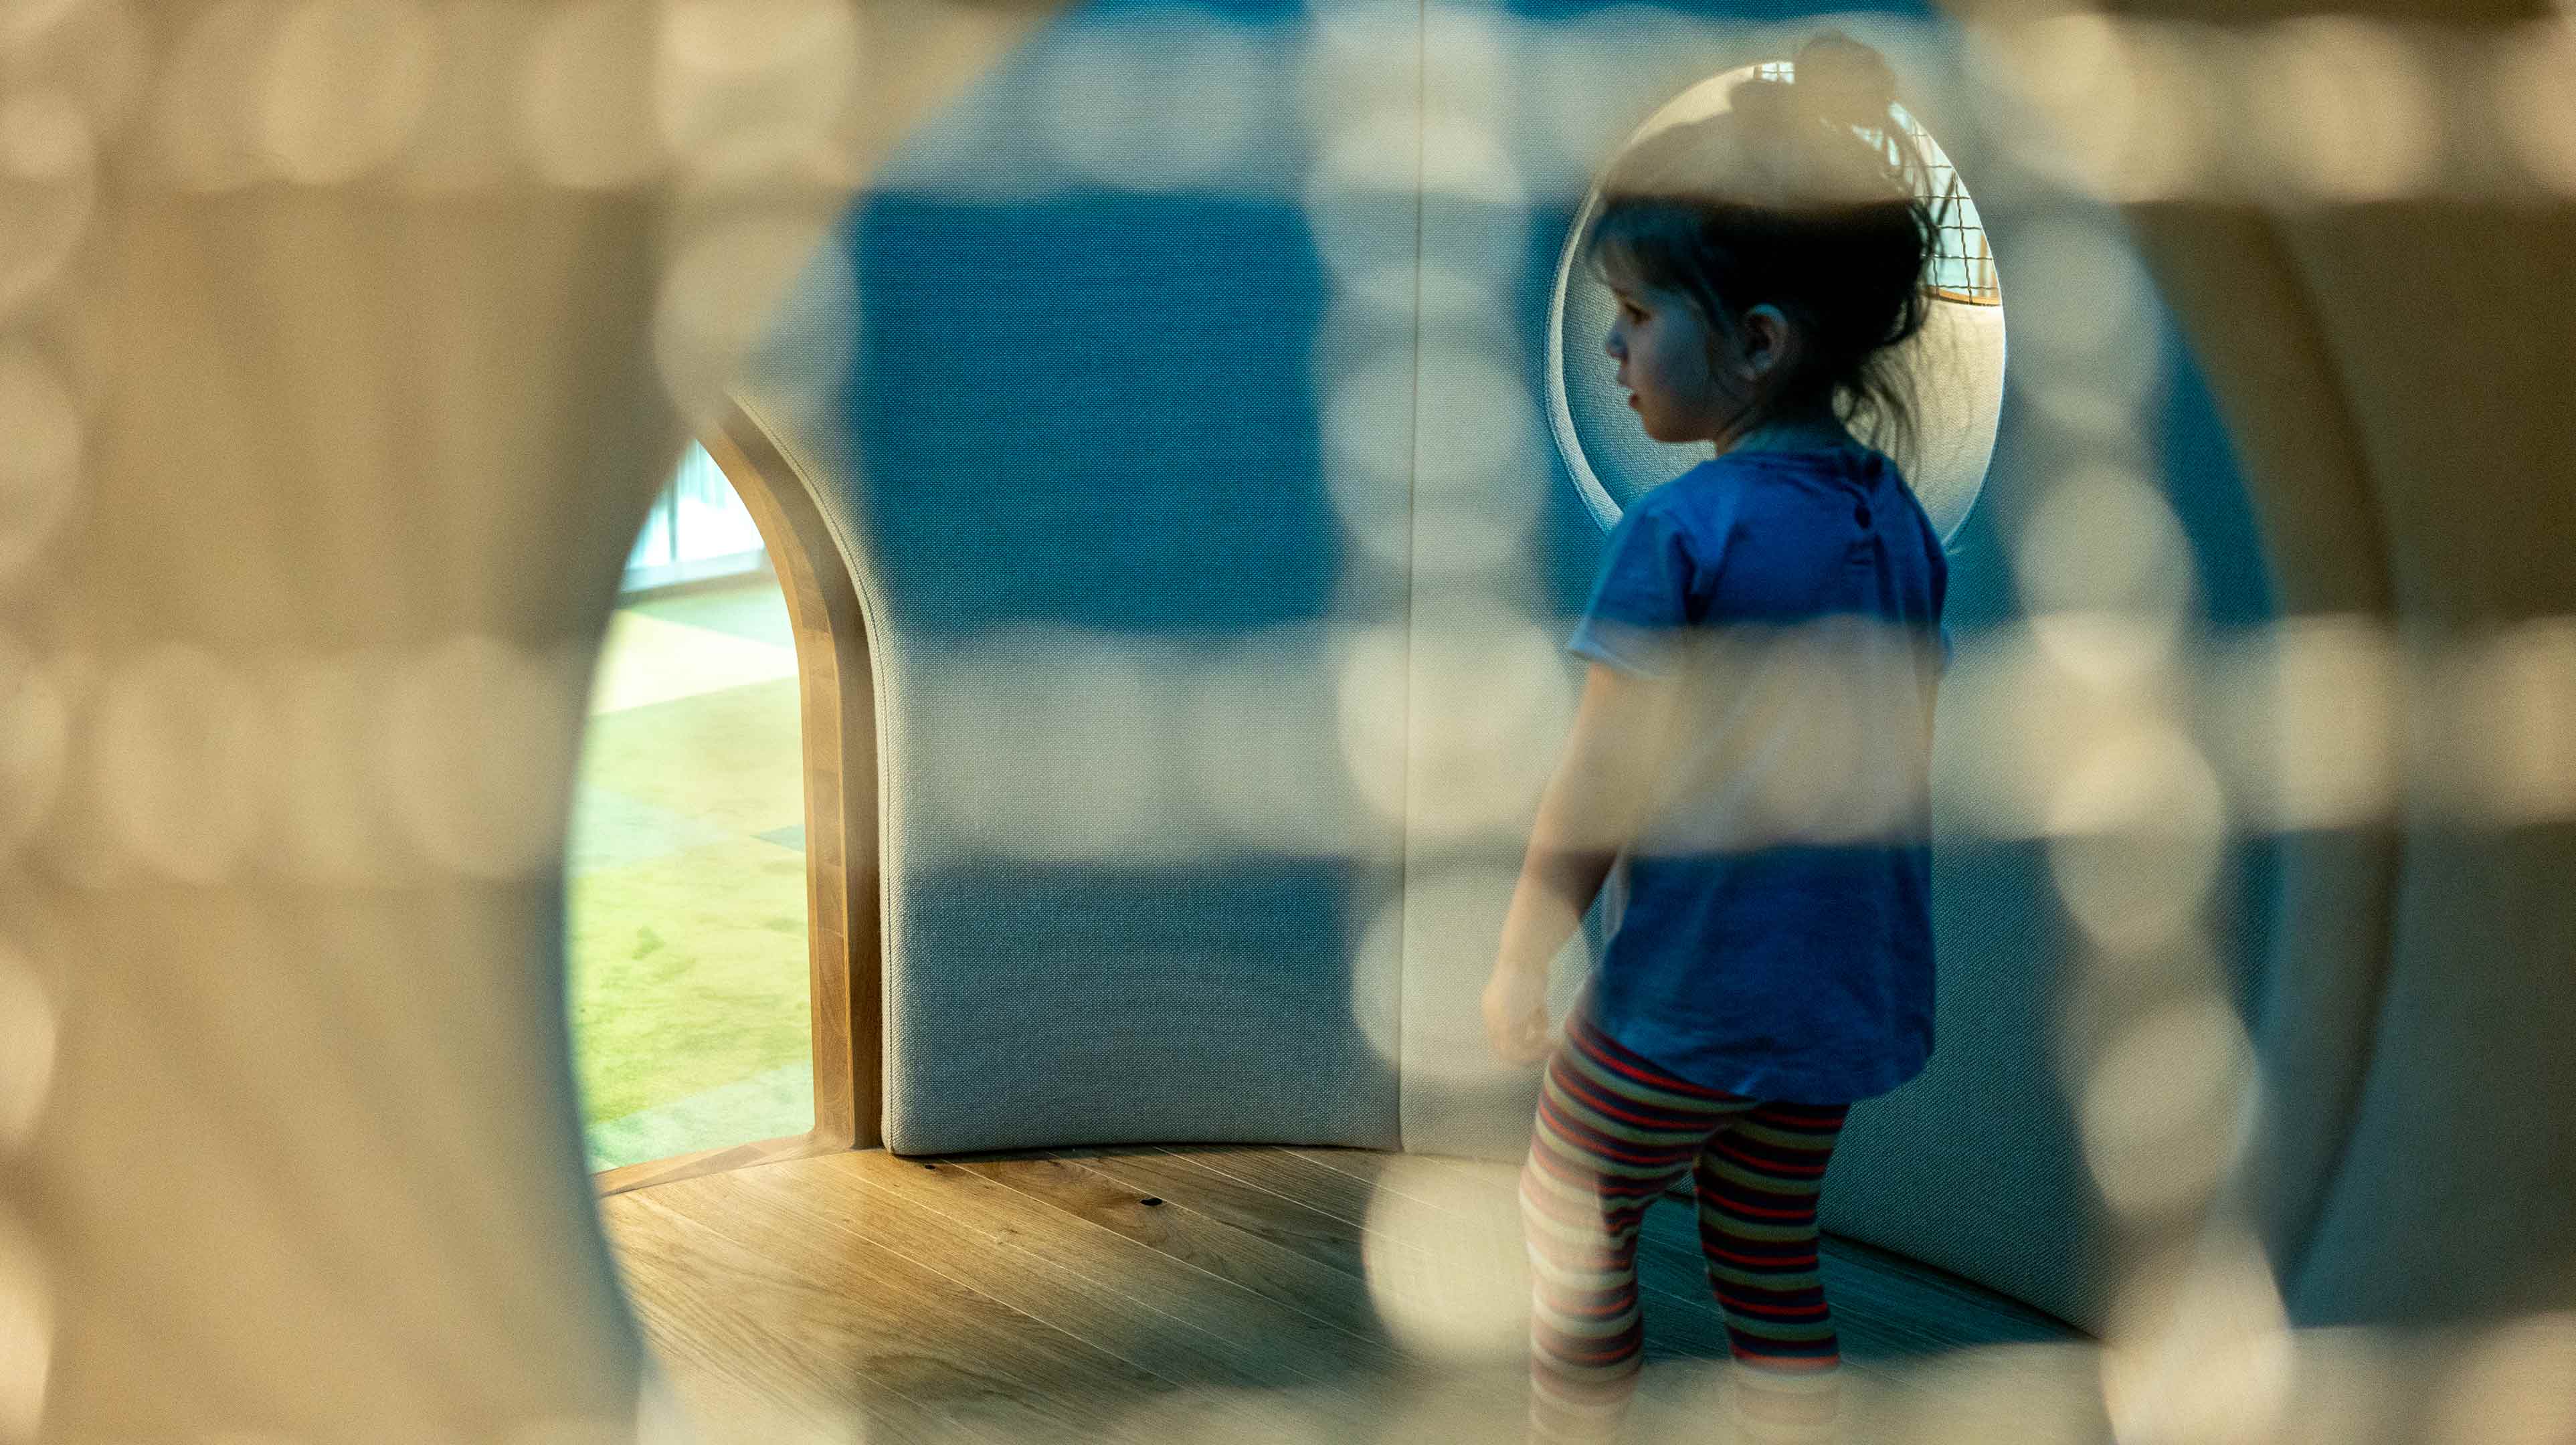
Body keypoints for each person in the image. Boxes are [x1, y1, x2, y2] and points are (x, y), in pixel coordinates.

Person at [1483, 33, 1950, 1445]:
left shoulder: (1677, 531)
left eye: (1635, 315)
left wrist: (1521, 945)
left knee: (1566, 1211)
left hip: (1678, 1008)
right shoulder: (1895, 525)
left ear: (1754, 342)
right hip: (1831, 1012)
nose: (1613, 349)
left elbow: (1601, 779)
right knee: (1763, 1249)